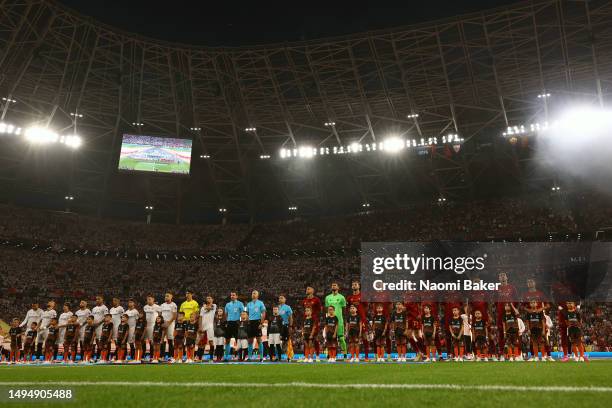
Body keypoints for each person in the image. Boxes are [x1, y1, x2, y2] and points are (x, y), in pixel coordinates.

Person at [346, 280, 370, 361]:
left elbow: (366, 307)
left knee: (364, 337)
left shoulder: (363, 296)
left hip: (362, 320)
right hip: (353, 320)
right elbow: (348, 308)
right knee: (352, 339)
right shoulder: (349, 298)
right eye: (353, 285)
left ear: (359, 286)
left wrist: (363, 316)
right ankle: (353, 356)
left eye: (355, 285)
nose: (354, 286)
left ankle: (366, 357)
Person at [325, 283, 347, 358]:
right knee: (329, 338)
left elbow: (344, 310)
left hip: (339, 321)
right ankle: (330, 354)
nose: (333, 286)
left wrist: (342, 319)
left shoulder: (342, 297)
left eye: (335, 285)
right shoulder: (327, 297)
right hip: (330, 321)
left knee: (341, 338)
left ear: (338, 287)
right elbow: (327, 309)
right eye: (332, 285)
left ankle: (345, 353)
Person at [302, 287, 322, 360]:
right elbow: (304, 311)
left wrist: (318, 321)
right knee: (306, 339)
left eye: (309, 289)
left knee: (314, 339)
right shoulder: (304, 301)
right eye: (306, 289)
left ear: (313, 291)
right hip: (306, 322)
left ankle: (317, 355)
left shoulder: (316, 300)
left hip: (314, 322)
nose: (307, 290)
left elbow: (320, 310)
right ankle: (306, 356)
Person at [246, 290, 266, 361]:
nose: (253, 294)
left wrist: (261, 323)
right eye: (252, 293)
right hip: (250, 322)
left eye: (255, 293)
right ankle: (249, 357)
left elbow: (263, 313)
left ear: (257, 295)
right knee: (250, 341)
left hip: (257, 321)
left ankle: (261, 357)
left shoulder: (260, 303)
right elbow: (247, 314)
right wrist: (247, 321)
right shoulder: (248, 304)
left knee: (259, 340)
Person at [224, 292, 244, 360]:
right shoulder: (227, 304)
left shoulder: (240, 303)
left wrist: (241, 322)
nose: (232, 296)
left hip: (237, 323)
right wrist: (226, 322)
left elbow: (243, 313)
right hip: (229, 323)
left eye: (233, 295)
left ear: (236, 296)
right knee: (227, 340)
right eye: (231, 295)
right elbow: (226, 314)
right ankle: (226, 356)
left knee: (238, 340)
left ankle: (239, 356)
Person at [199, 295, 217, 362]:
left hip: (210, 326)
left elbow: (210, 308)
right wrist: (200, 326)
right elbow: (200, 317)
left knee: (211, 342)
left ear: (212, 299)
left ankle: (211, 358)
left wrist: (205, 307)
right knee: (201, 342)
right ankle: (200, 358)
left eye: (210, 298)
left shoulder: (214, 305)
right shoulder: (202, 308)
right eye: (207, 298)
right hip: (203, 326)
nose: (208, 299)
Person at [160, 292, 177, 361]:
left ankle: (171, 356)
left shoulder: (173, 305)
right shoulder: (162, 305)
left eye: (168, 296)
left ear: (171, 297)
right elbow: (160, 315)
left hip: (170, 324)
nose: (166, 297)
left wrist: (168, 323)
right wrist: (162, 323)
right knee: (162, 340)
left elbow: (175, 316)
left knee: (170, 340)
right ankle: (162, 356)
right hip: (163, 324)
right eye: (165, 296)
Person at [143, 294, 161, 360]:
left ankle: (152, 356)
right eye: (147, 299)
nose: (148, 300)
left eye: (150, 299)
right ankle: (144, 356)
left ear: (153, 299)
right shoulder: (145, 307)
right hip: (146, 325)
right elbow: (144, 316)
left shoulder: (157, 307)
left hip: (153, 326)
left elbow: (160, 316)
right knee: (144, 341)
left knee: (152, 341)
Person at [91, 296, 109, 361]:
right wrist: (92, 324)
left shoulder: (104, 308)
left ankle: (102, 357)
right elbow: (92, 317)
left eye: (99, 299)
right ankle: (95, 357)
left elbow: (106, 317)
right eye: (96, 299)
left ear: (102, 300)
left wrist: (99, 323)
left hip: (101, 327)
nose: (97, 300)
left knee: (100, 342)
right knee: (94, 342)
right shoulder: (94, 308)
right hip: (94, 327)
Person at [278, 295, 293, 361]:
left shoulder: (287, 307)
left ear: (285, 299)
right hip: (278, 326)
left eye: (282, 298)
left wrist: (290, 326)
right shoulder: (277, 308)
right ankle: (278, 356)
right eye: (279, 298)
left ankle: (289, 356)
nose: (280, 299)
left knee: (287, 341)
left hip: (286, 326)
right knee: (278, 341)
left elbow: (291, 317)